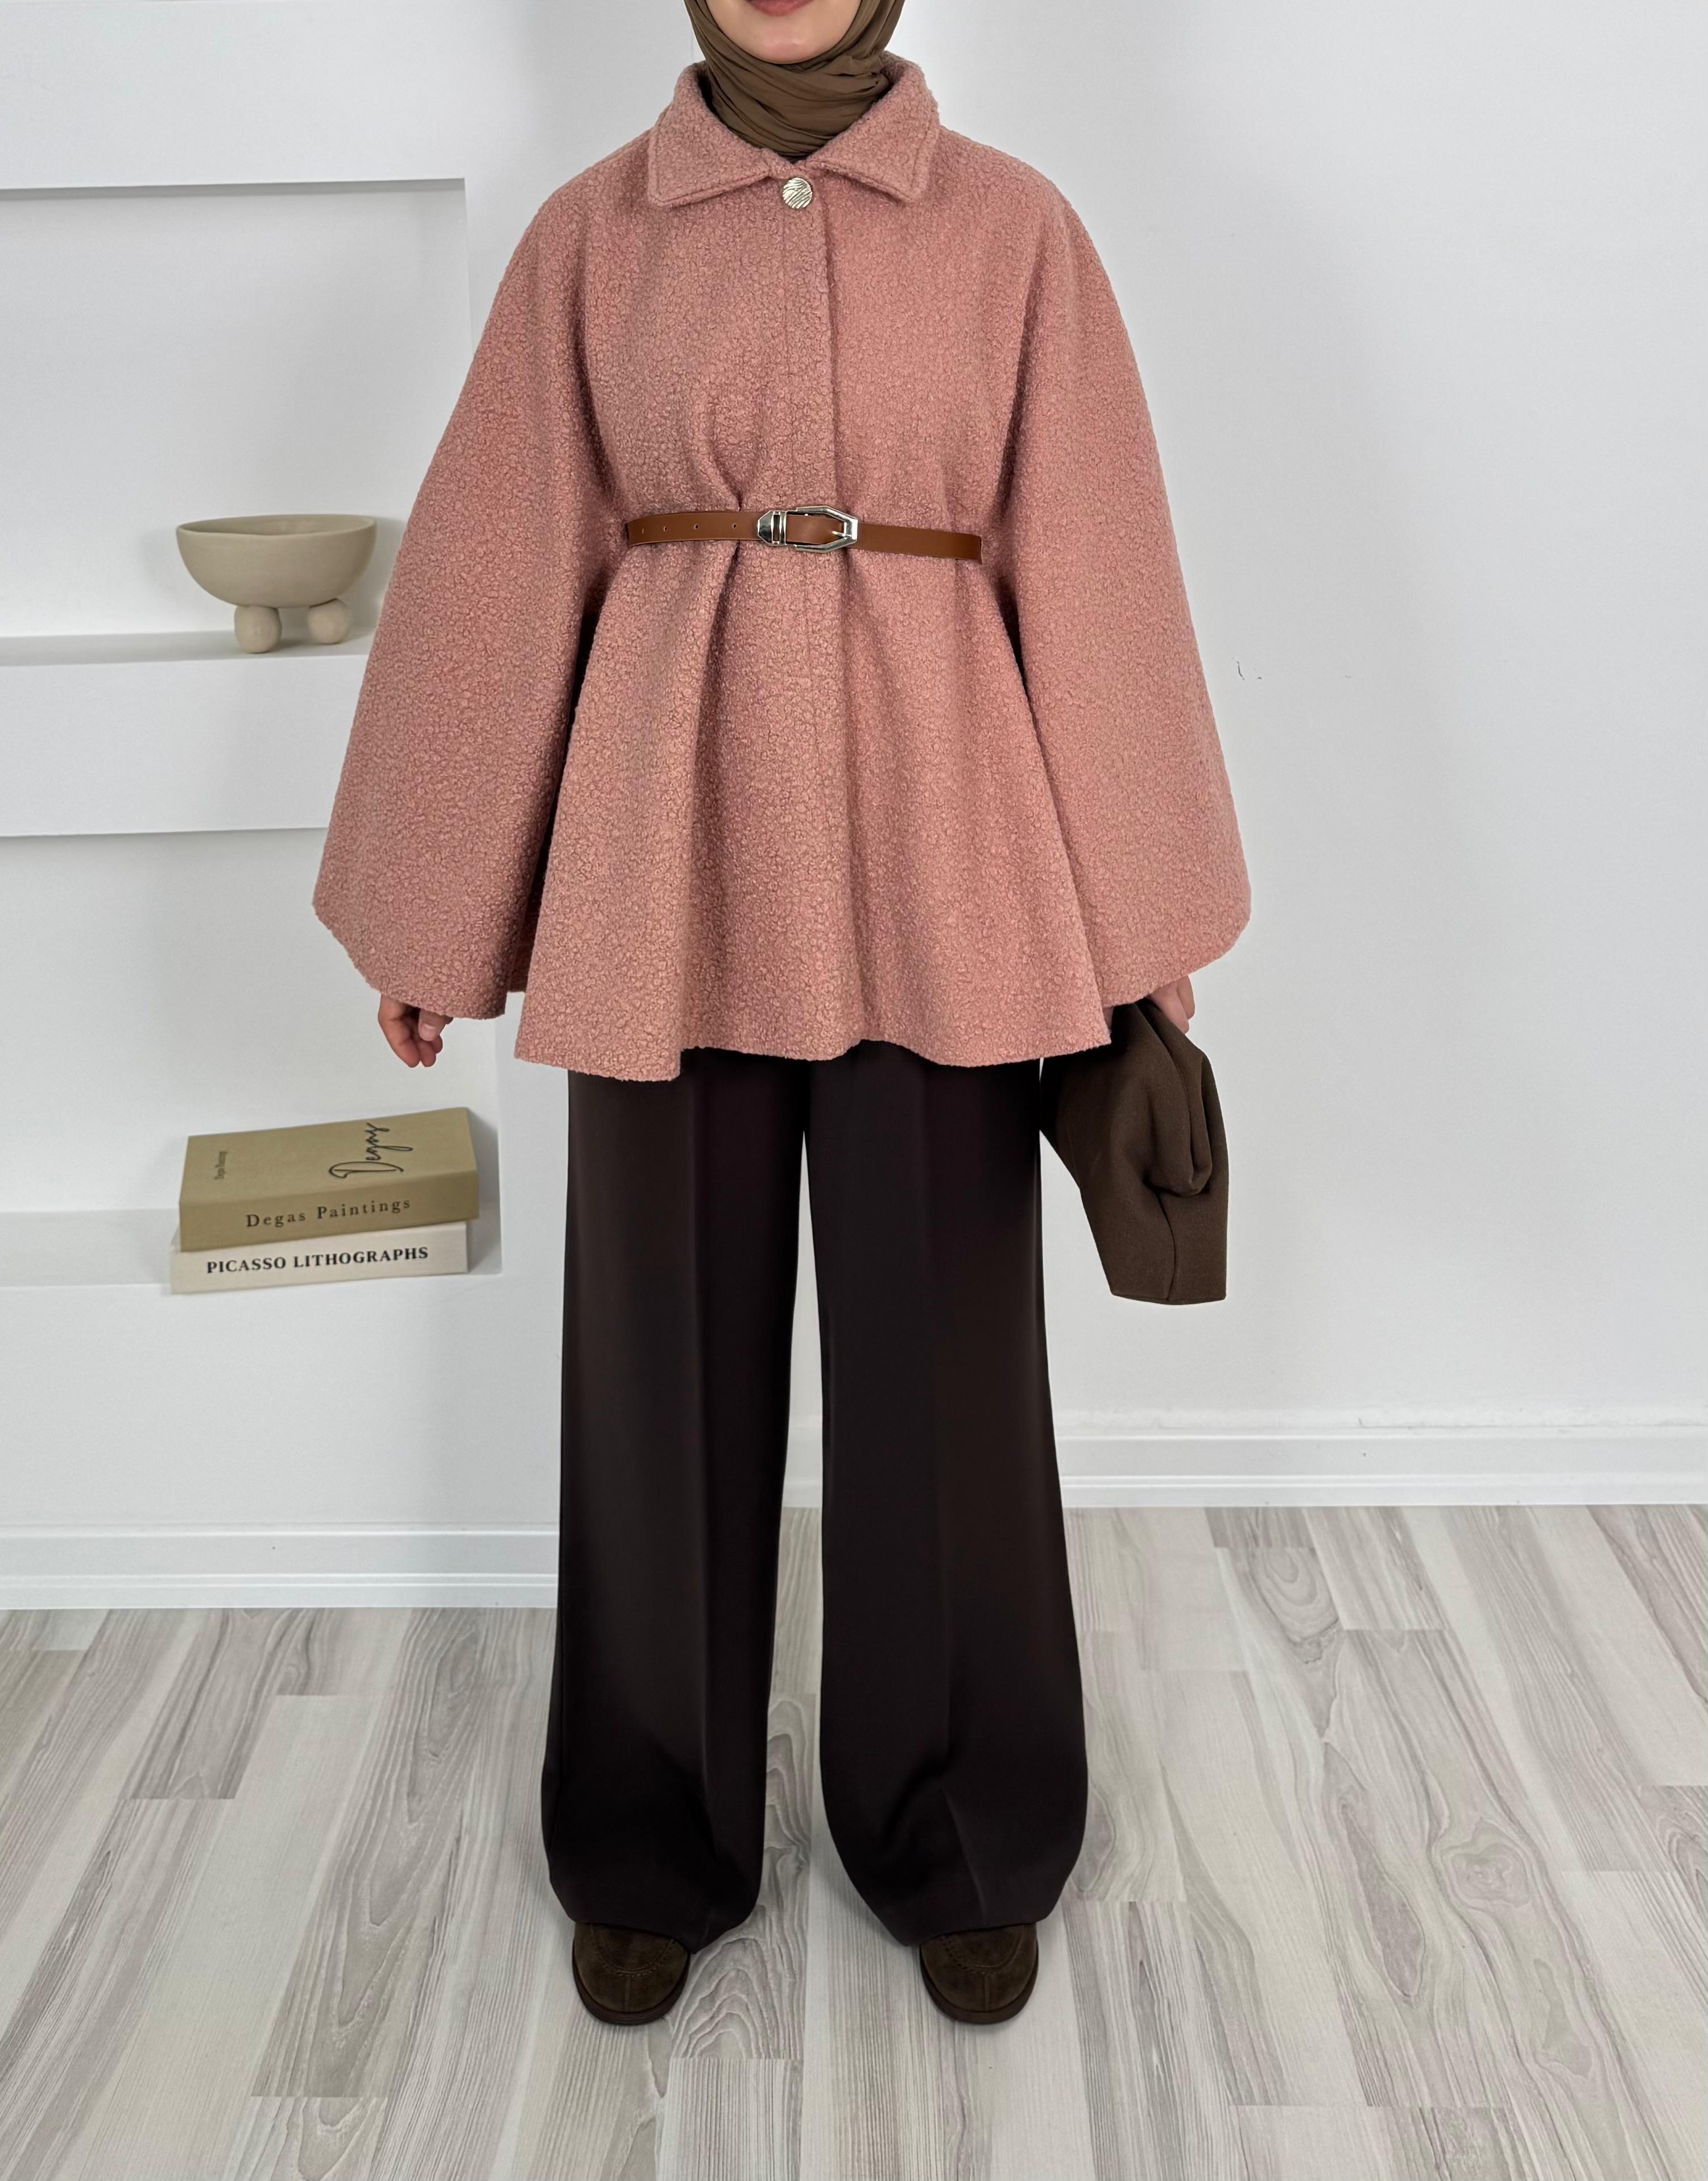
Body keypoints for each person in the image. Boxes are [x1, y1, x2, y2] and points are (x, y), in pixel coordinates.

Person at [312, 0, 1249, 2026]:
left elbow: (1096, 567)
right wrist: (434, 910)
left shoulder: (1015, 231)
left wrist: (1142, 918)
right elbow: (497, 569)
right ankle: (650, 1836)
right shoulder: (593, 237)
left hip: (946, 856)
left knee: (947, 1374)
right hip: (665, 864)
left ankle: (962, 1826)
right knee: (654, 1365)